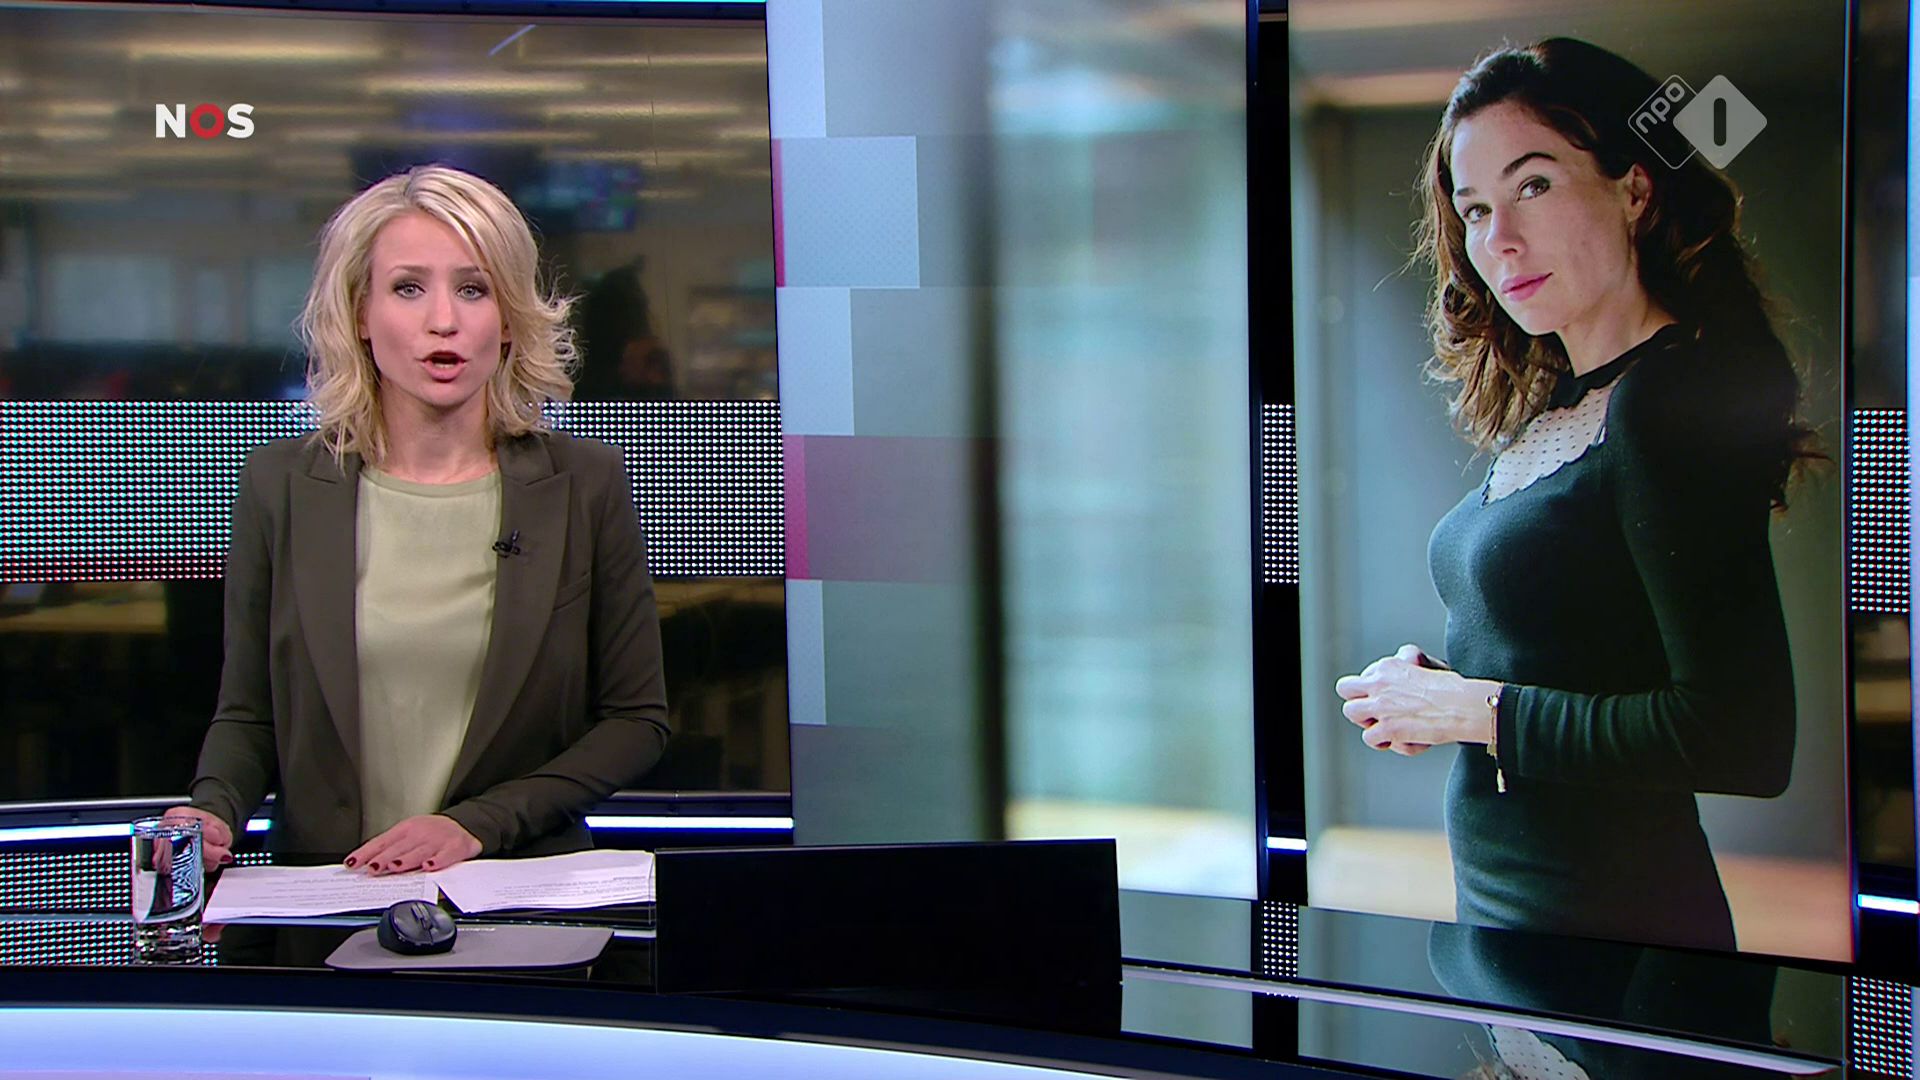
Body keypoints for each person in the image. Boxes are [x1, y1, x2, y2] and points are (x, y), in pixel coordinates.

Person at [1333, 38, 1812, 954]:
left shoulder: (1668, 401)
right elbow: (1586, 659)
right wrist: (1440, 694)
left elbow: (1741, 737)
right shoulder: (1570, 402)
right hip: (1521, 926)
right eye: (1476, 210)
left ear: (1635, 190)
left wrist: (1470, 711)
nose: (1499, 239)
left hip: (1615, 949)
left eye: (1535, 185)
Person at [166, 163, 669, 876]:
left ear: (508, 319)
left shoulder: (584, 485)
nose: (444, 320)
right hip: (327, 894)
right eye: (408, 288)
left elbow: (635, 721)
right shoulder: (282, 485)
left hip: (514, 888)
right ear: (359, 314)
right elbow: (250, 715)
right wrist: (213, 809)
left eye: (473, 289)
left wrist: (477, 825)